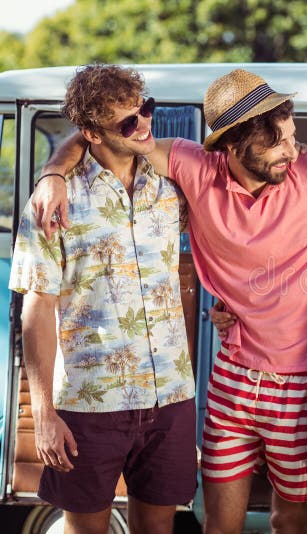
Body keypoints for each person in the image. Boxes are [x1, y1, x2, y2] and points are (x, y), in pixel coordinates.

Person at [31, 70, 307, 534]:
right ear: (233, 147)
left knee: (290, 520)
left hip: (302, 388)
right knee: (219, 523)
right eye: (277, 143)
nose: (292, 151)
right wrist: (54, 172)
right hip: (232, 382)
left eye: (292, 138)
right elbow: (109, 136)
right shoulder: (193, 167)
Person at [10, 65, 196, 534]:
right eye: (128, 122)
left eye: (146, 111)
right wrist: (46, 414)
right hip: (91, 403)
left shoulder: (172, 189)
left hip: (170, 396)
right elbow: (38, 306)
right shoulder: (54, 203)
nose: (145, 126)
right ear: (91, 133)